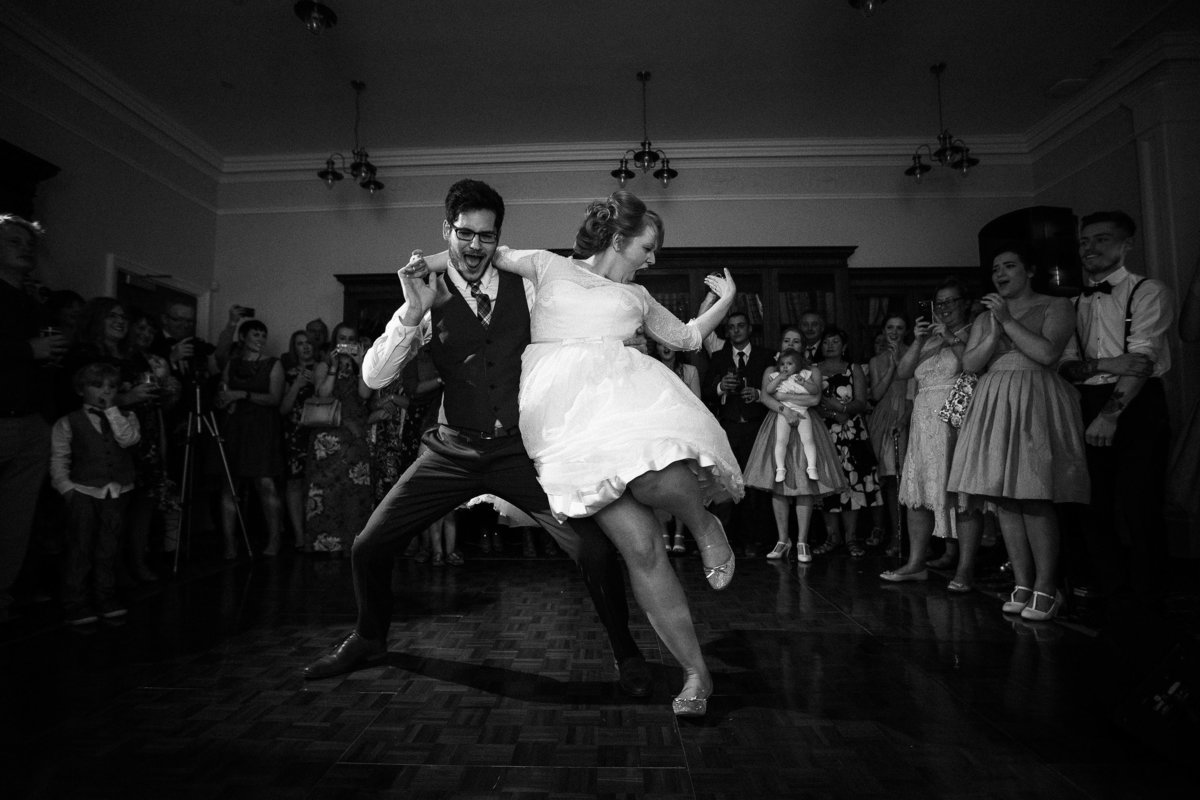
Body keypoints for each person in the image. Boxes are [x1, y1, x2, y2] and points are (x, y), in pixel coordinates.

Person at [302, 180, 653, 704]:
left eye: (486, 237)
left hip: (519, 451)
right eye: (464, 234)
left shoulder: (528, 286)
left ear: (498, 239)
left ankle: (628, 655)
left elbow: (578, 316)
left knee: (595, 552)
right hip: (451, 451)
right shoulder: (425, 289)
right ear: (447, 232)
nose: (473, 247)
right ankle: (369, 638)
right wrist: (412, 312)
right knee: (369, 546)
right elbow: (374, 378)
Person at [404, 190, 743, 716]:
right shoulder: (546, 266)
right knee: (642, 549)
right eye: (647, 247)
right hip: (565, 428)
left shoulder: (639, 298)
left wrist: (724, 302)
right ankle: (697, 674)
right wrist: (417, 268)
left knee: (655, 480)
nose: (652, 259)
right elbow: (476, 252)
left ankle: (704, 525)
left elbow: (688, 339)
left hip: (623, 406)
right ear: (619, 238)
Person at [948, 246, 1089, 621]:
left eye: (1009, 266)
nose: (1000, 274)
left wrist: (1008, 320)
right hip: (994, 400)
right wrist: (993, 326)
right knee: (1004, 497)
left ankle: (1047, 585)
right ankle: (1023, 582)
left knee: (1034, 493)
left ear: (1029, 270)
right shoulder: (987, 316)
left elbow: (1046, 353)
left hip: (1033, 396)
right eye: (995, 269)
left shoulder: (1056, 305)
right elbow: (971, 364)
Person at [1059, 211, 1174, 612]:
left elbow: (1141, 362)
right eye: (1084, 241)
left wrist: (1110, 414)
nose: (1089, 248)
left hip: (1137, 404)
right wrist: (1110, 364)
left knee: (1140, 502)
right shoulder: (1073, 302)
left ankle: (1149, 594)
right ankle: (1111, 589)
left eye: (1101, 239)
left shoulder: (1147, 290)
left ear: (1126, 244)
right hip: (1086, 401)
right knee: (1092, 503)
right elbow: (1066, 367)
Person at [881, 279, 982, 589]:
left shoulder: (974, 331)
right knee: (917, 494)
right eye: (940, 303)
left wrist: (950, 337)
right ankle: (915, 563)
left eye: (951, 302)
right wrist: (918, 339)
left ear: (965, 303)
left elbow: (973, 364)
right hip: (924, 420)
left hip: (956, 420)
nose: (945, 308)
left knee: (962, 495)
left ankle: (965, 569)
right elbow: (903, 372)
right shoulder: (927, 339)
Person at [0, 214, 69, 623]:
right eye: (13, 241)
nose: (25, 248)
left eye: (29, 243)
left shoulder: (33, 303)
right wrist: (30, 351)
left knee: (16, 521)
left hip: (31, 422)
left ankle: (3, 599)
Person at [742, 328, 846, 563]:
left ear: (803, 345)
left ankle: (802, 541)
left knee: (805, 482)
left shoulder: (812, 371)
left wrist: (784, 399)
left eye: (796, 341)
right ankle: (782, 539)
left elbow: (815, 399)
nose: (792, 343)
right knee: (778, 482)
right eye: (787, 340)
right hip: (779, 421)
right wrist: (784, 409)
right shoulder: (772, 370)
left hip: (805, 422)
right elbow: (767, 397)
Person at [50, 362, 142, 624]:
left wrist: (112, 411)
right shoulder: (69, 422)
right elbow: (59, 459)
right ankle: (76, 600)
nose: (105, 391)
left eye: (111, 387)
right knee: (80, 546)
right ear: (81, 390)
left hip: (118, 490)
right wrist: (67, 489)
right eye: (97, 386)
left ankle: (105, 595)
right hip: (84, 490)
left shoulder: (126, 416)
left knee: (109, 546)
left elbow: (128, 440)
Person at [702, 311, 773, 558]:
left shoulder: (765, 356)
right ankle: (732, 540)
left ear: (749, 329)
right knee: (732, 485)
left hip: (758, 427)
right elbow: (706, 392)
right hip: (730, 427)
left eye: (740, 326)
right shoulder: (720, 357)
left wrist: (758, 394)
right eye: (731, 327)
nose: (736, 331)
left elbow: (777, 390)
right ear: (727, 331)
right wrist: (722, 387)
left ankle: (756, 540)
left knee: (756, 485)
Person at [213, 318, 285, 558]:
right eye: (256, 335)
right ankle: (229, 544)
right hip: (235, 428)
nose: (261, 340)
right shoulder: (232, 364)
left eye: (263, 336)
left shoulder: (273, 364)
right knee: (230, 485)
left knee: (265, 484)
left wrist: (241, 394)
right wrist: (226, 399)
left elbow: (274, 398)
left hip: (262, 429)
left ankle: (274, 540)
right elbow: (221, 395)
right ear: (243, 338)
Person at [304, 322, 374, 553]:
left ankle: (353, 544)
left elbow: (365, 394)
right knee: (326, 490)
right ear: (335, 340)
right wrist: (333, 367)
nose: (346, 342)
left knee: (354, 490)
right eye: (342, 338)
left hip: (354, 437)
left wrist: (361, 363)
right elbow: (322, 394)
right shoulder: (324, 364)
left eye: (351, 338)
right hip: (328, 438)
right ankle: (325, 545)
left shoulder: (360, 365)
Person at [814, 327, 882, 558]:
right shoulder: (813, 370)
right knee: (826, 486)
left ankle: (852, 537)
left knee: (851, 484)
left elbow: (861, 402)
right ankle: (831, 537)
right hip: (822, 433)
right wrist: (834, 414)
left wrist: (842, 409)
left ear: (844, 347)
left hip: (851, 433)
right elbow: (808, 400)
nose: (830, 345)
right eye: (826, 342)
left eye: (835, 342)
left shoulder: (853, 369)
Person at [866, 314, 911, 550]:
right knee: (887, 481)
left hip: (907, 413)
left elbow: (915, 390)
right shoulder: (876, 361)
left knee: (904, 477)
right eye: (890, 327)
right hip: (883, 418)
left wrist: (904, 418)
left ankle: (910, 537)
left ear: (906, 330)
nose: (894, 332)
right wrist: (892, 364)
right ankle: (894, 534)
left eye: (899, 327)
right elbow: (875, 394)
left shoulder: (915, 353)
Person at [650, 340, 700, 553]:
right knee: (659, 484)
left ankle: (679, 533)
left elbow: (697, 402)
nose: (666, 348)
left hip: (683, 432)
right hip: (658, 433)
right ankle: (663, 531)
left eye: (669, 344)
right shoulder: (650, 368)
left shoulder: (690, 371)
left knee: (681, 484)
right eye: (661, 344)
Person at [280, 330, 318, 551]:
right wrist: (296, 383)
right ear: (293, 348)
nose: (305, 347)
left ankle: (316, 532)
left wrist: (316, 381)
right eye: (299, 343)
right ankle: (299, 535)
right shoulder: (286, 373)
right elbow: (283, 408)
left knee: (315, 482)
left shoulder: (324, 368)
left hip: (317, 431)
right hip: (295, 433)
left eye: (308, 342)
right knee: (294, 482)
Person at [765, 350, 820, 484]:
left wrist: (804, 383)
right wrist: (778, 378)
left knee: (808, 439)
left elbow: (815, 391)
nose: (785, 367)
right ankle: (780, 468)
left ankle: (812, 467)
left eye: (789, 364)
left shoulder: (804, 375)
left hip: (802, 410)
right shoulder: (776, 376)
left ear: (798, 365)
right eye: (782, 364)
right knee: (781, 440)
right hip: (784, 412)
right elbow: (769, 390)